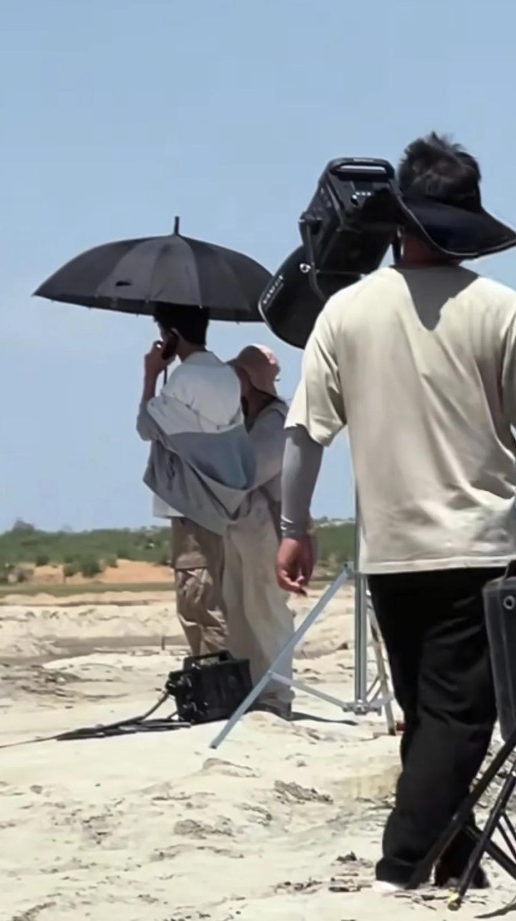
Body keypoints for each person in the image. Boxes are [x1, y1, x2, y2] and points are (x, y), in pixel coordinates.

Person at [276, 133, 516, 891]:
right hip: (481, 546)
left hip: (391, 552)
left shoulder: (345, 311)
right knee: (461, 718)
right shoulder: (499, 310)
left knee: (427, 711)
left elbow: (303, 433)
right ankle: (402, 865)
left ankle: (454, 857)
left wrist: (293, 529)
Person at [136, 303, 255, 657]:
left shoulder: (185, 379)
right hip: (215, 501)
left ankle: (214, 676)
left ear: (172, 335)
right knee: (209, 594)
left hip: (191, 503)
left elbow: (146, 426)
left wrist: (151, 375)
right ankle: (219, 674)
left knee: (197, 602)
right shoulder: (225, 375)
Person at [222, 345, 294, 718]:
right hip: (240, 524)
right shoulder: (247, 417)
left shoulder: (276, 420)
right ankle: (249, 689)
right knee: (238, 609)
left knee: (264, 609)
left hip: (264, 526)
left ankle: (276, 694)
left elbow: (247, 472)